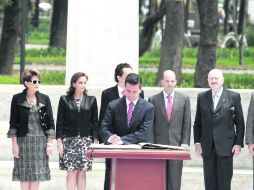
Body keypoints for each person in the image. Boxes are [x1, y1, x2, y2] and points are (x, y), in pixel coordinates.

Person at [193, 69, 245, 190]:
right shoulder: (202, 97)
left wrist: (238, 143)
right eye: (211, 78)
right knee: (209, 183)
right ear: (208, 81)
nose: (214, 81)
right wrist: (197, 142)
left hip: (226, 147)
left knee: (224, 183)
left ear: (222, 80)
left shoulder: (234, 96)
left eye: (216, 78)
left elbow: (240, 123)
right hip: (207, 147)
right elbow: (197, 123)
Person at [7, 69, 55, 190]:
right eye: (34, 81)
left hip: (40, 143)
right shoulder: (17, 98)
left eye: (39, 81)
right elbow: (13, 123)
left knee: (35, 177)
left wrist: (49, 143)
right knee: (24, 176)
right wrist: (14, 144)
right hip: (23, 142)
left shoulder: (45, 98)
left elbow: (50, 122)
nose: (37, 83)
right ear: (26, 83)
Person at [99, 63, 144, 190]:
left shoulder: (139, 92)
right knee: (111, 173)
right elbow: (104, 120)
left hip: (132, 144)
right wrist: (109, 138)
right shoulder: (108, 94)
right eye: (127, 74)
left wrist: (127, 140)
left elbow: (139, 117)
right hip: (112, 143)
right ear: (119, 77)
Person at [148, 70, 191, 190]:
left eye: (172, 81)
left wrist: (185, 143)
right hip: (158, 146)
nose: (170, 83)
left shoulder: (184, 99)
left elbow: (186, 123)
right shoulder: (153, 100)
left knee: (174, 180)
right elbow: (150, 125)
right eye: (167, 81)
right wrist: (150, 145)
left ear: (176, 82)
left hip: (176, 146)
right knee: (158, 178)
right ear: (162, 82)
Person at [56, 72, 99, 190]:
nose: (83, 85)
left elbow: (95, 122)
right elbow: (60, 122)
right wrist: (59, 141)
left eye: (85, 82)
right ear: (74, 84)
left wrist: (95, 140)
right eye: (80, 82)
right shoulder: (64, 100)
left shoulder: (92, 100)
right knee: (71, 172)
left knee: (82, 172)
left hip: (86, 141)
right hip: (69, 141)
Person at [99, 72, 154, 144]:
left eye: (134, 92)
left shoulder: (148, 108)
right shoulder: (113, 105)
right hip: (114, 150)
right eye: (128, 91)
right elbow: (104, 126)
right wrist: (110, 137)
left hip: (137, 150)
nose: (131, 95)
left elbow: (144, 133)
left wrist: (121, 140)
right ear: (124, 88)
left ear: (140, 90)